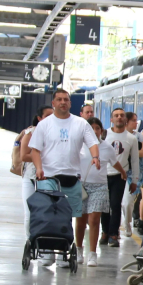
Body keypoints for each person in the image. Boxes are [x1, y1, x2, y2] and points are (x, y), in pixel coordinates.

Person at [29, 89, 101, 266]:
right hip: (49, 176)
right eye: (59, 99)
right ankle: (47, 253)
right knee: (48, 214)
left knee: (66, 216)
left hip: (71, 176)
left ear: (70, 103)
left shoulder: (80, 123)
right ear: (53, 103)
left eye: (66, 100)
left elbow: (92, 143)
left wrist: (95, 157)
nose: (63, 102)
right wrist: (38, 168)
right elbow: (35, 150)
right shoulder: (44, 125)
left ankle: (63, 252)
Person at [78, 117, 125, 267]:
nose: (94, 131)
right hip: (81, 186)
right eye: (91, 128)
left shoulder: (106, 147)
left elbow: (114, 162)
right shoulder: (79, 145)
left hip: (99, 186)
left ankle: (92, 253)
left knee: (94, 219)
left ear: (101, 130)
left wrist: (123, 172)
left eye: (97, 128)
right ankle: (78, 249)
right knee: (81, 220)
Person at [102, 108, 139, 246]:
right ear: (111, 119)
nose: (119, 118)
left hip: (120, 176)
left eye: (122, 116)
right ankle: (105, 232)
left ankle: (113, 234)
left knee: (115, 204)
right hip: (103, 175)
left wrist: (134, 180)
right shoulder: (105, 134)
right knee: (104, 206)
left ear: (125, 119)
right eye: (116, 116)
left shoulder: (132, 139)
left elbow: (134, 160)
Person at [18, 106, 53, 235]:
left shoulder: (57, 133)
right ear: (39, 118)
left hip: (50, 177)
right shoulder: (30, 133)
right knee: (29, 212)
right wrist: (40, 157)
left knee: (48, 213)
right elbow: (24, 156)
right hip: (31, 177)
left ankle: (44, 242)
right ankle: (30, 241)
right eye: (47, 116)